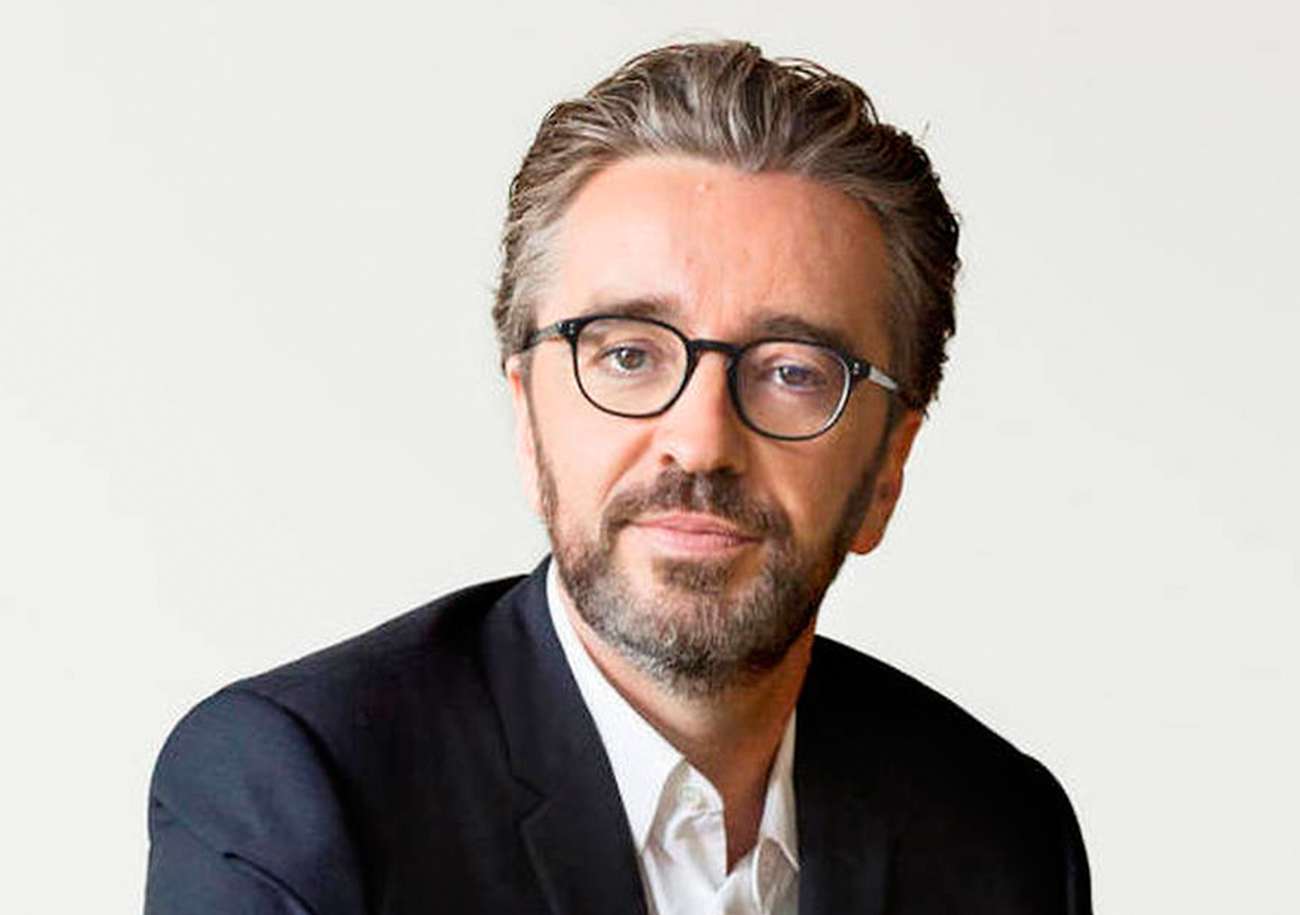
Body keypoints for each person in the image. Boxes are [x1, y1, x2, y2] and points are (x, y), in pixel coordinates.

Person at [144, 41, 1091, 915]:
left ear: (888, 465)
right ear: (528, 418)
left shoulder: (999, 832)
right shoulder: (301, 793)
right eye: (629, 354)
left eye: (792, 371)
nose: (701, 442)